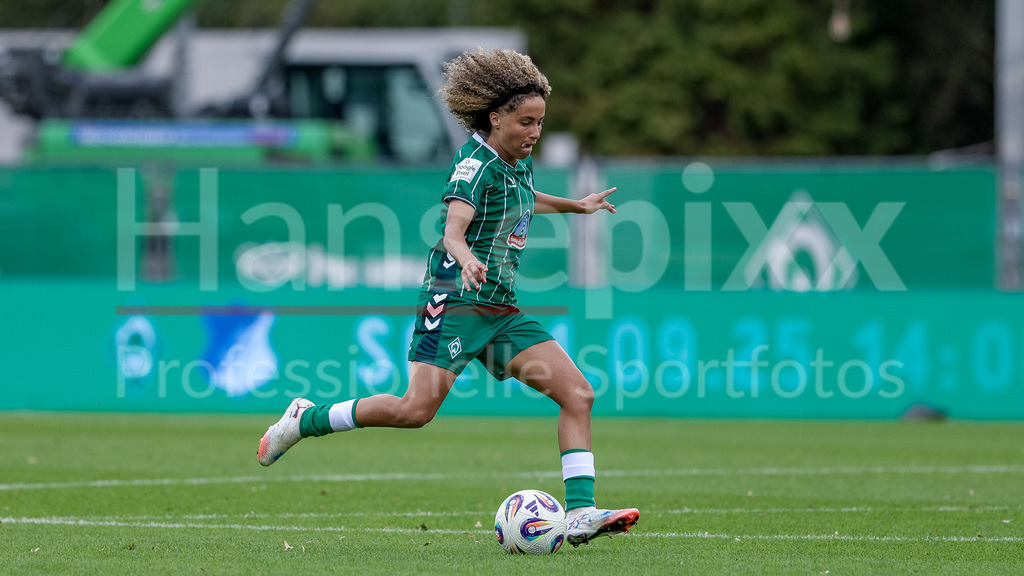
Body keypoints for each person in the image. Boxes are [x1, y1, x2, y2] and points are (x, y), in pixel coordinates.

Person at [257, 48, 639, 547]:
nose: (534, 133)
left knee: (578, 394)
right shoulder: (473, 165)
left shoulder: (515, 159)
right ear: (495, 116)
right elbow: (454, 229)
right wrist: (465, 257)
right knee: (413, 411)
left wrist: (576, 205)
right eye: (526, 122)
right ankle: (303, 421)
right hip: (455, 300)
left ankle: (582, 512)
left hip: (500, 308)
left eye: (540, 124)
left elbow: (523, 199)